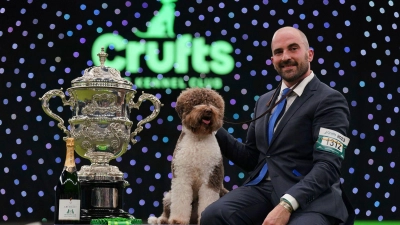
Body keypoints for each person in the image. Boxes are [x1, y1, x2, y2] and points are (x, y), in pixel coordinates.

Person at [200, 26, 355, 225]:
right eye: (278, 52)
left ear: (310, 54)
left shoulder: (330, 100)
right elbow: (252, 159)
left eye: (293, 48)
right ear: (272, 60)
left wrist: (287, 204)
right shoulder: (264, 100)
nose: (285, 57)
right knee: (213, 216)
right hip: (262, 191)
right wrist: (213, 128)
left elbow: (328, 166)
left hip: (312, 198)